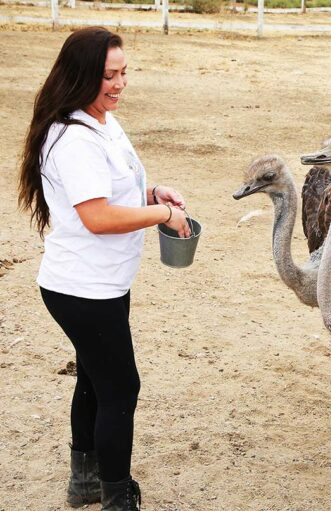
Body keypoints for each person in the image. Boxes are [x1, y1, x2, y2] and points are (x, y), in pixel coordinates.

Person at [18, 27, 190, 511]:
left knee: (95, 379)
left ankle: (85, 481)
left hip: (103, 283)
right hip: (82, 288)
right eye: (107, 76)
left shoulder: (103, 122)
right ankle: (116, 496)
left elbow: (109, 196)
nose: (118, 84)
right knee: (120, 388)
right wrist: (162, 216)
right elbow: (96, 218)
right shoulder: (74, 139)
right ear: (80, 78)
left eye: (123, 73)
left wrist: (152, 194)